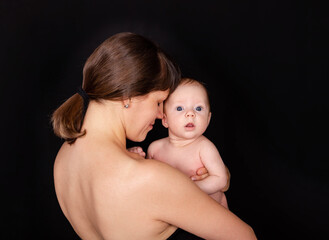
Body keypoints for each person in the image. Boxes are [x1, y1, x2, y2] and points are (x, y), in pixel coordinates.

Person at [51, 32, 256, 239]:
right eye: (159, 102)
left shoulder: (63, 159)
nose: (160, 115)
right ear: (128, 96)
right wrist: (196, 185)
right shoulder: (149, 178)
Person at [147, 78, 229, 208]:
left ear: (208, 119)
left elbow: (220, 179)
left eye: (198, 108)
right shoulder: (155, 149)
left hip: (211, 214)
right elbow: (147, 177)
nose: (190, 113)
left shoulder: (204, 148)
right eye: (180, 108)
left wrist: (191, 189)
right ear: (165, 119)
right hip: (176, 214)